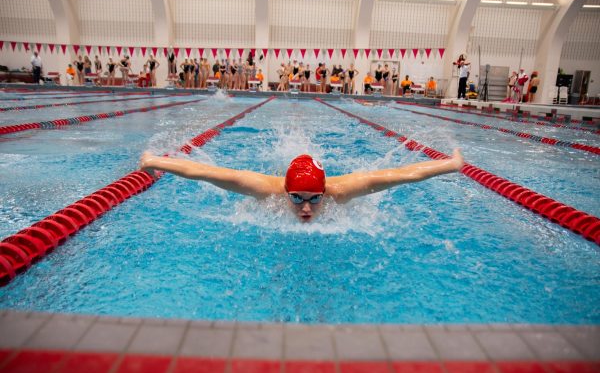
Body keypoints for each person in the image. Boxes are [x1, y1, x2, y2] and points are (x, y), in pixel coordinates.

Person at [139, 149, 464, 223]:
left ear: (325, 193)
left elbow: (402, 174)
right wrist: (153, 160)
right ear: (284, 192)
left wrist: (450, 164)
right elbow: (202, 171)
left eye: (313, 199)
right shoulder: (264, 188)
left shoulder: (344, 189)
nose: (306, 208)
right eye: (296, 199)